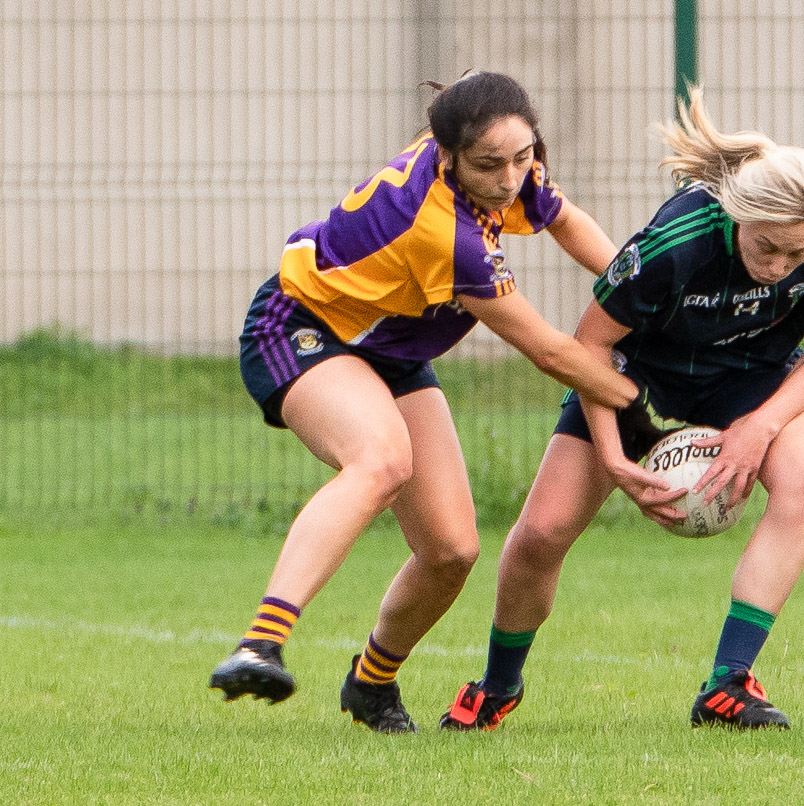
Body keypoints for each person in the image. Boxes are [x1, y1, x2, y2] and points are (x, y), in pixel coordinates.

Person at [209, 71, 653, 734]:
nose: (510, 181)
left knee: (451, 549)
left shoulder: (501, 156)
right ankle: (261, 642)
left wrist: (643, 291)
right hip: (304, 327)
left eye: (523, 157)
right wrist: (642, 403)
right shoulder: (446, 235)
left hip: (390, 345)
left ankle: (371, 684)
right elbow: (550, 353)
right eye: (489, 165)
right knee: (380, 461)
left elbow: (563, 220)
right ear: (446, 155)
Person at [439, 86, 804, 732]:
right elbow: (592, 346)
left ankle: (729, 684)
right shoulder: (676, 244)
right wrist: (613, 456)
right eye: (766, 248)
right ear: (738, 215)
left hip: (750, 379)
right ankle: (497, 686)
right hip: (635, 379)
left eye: (795, 254)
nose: (779, 266)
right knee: (543, 532)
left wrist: (761, 425)